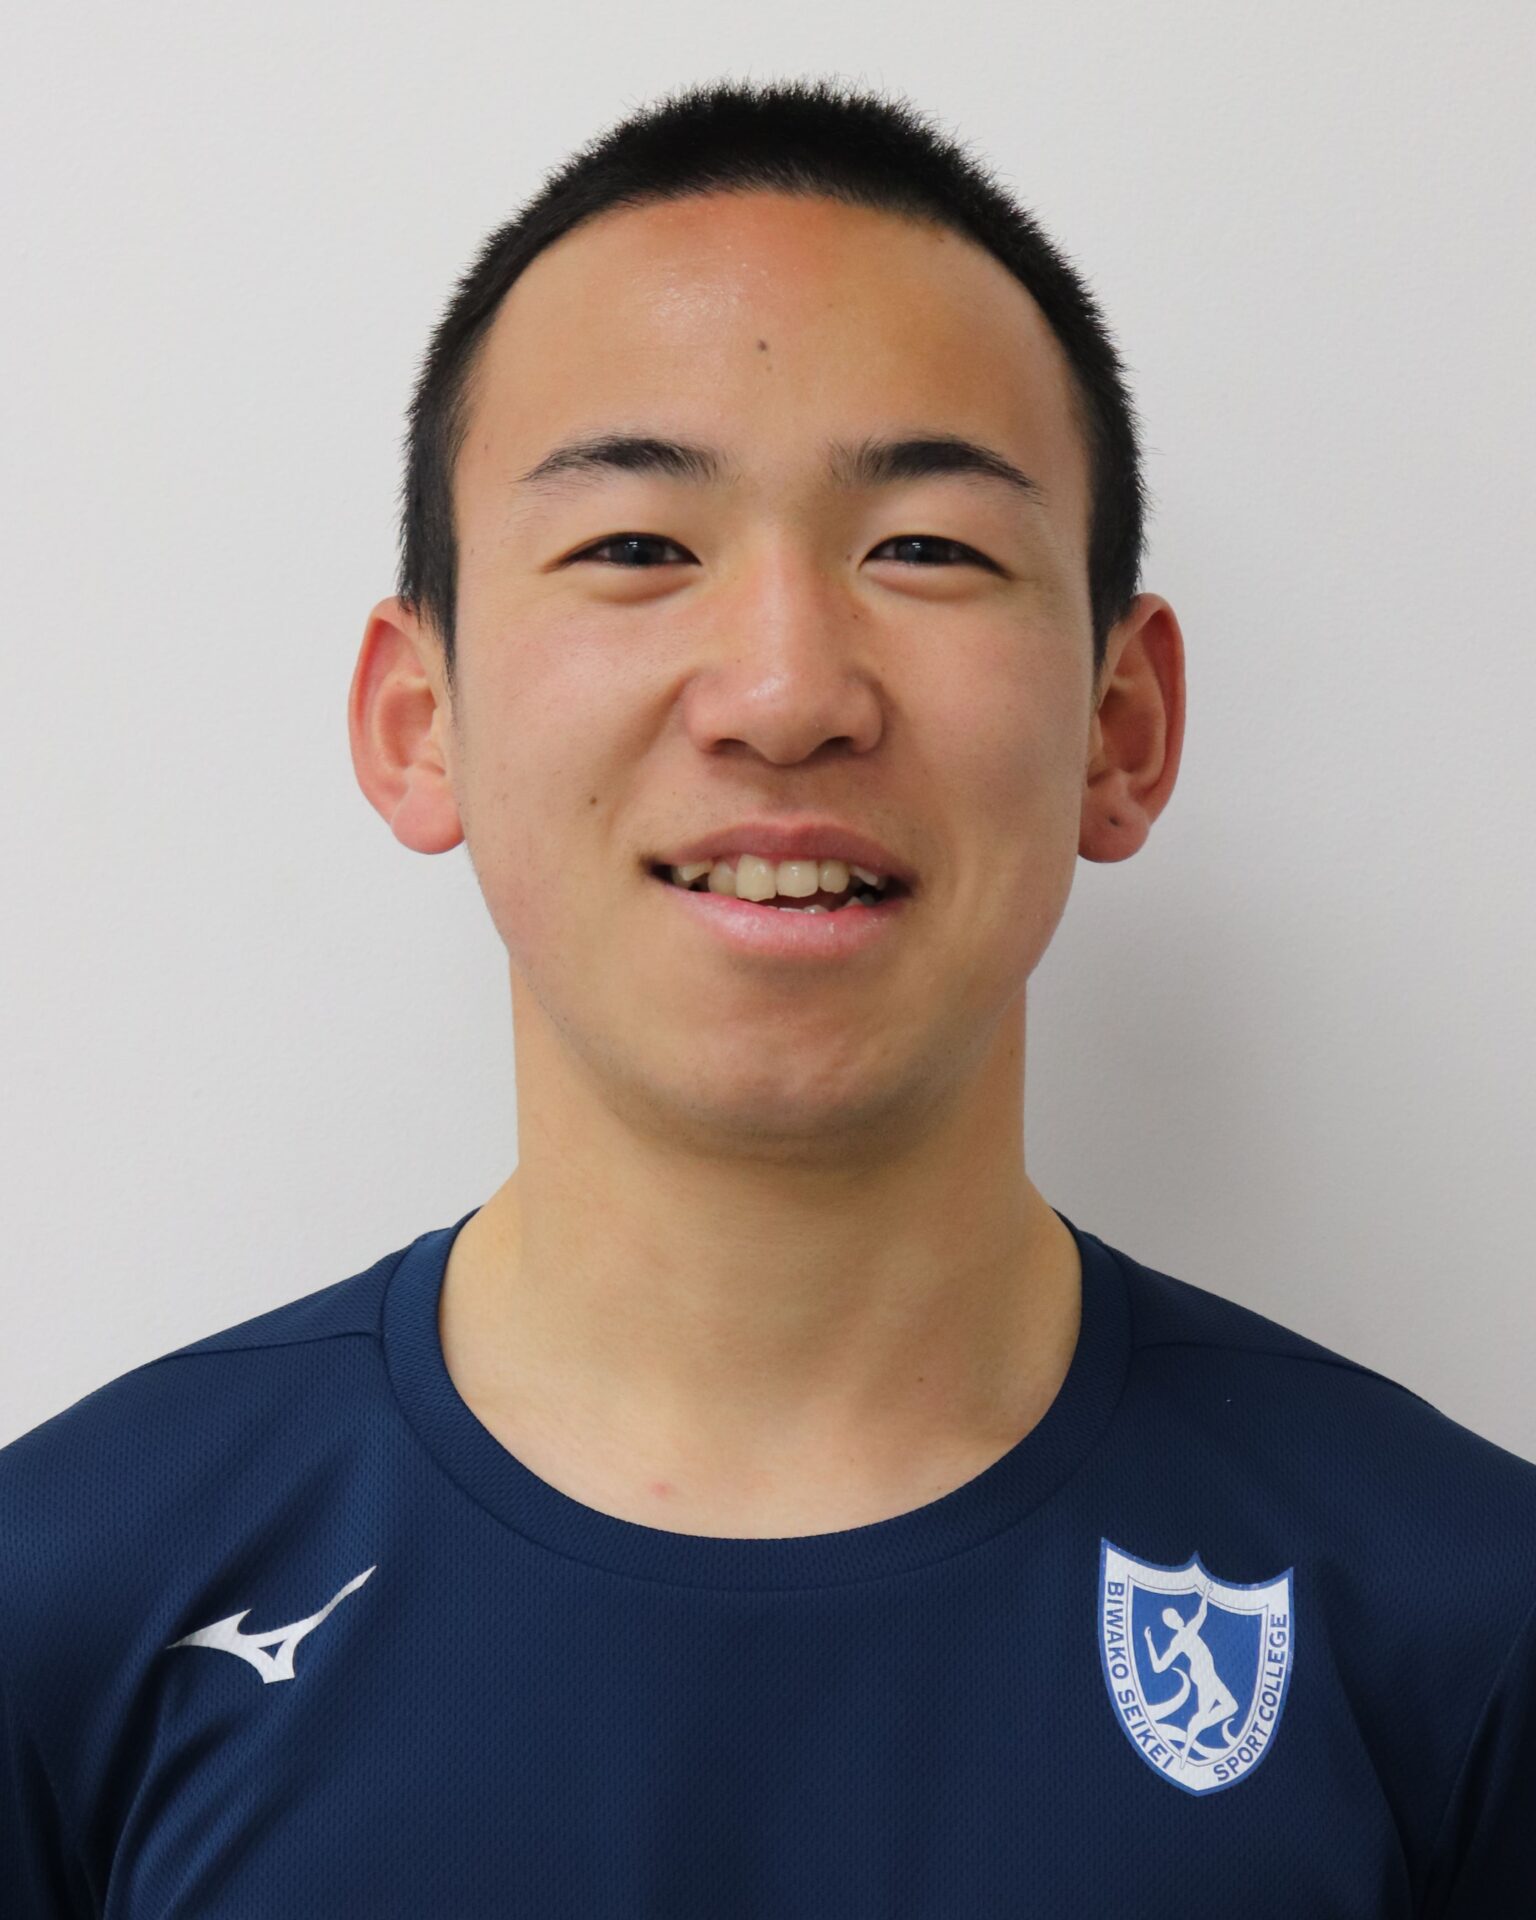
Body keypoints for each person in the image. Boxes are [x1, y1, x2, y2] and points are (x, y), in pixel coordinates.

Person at [2, 75, 1532, 1917]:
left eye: (926, 550)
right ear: (420, 723)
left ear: (1121, 731)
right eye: (637, 547)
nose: (788, 690)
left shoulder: (1466, 1625)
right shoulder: (65, 1602)